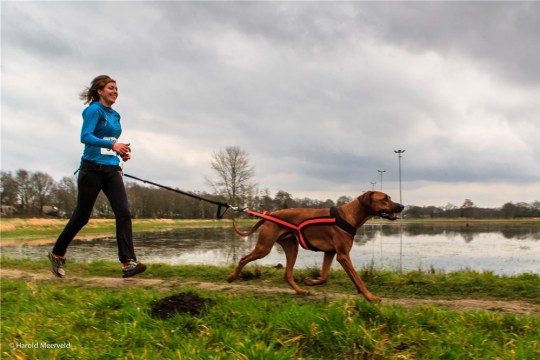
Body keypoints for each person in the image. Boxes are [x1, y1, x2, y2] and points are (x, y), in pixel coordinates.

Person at [48, 75, 146, 278]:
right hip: (91, 170)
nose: (115, 91)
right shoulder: (94, 110)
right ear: (100, 91)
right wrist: (112, 145)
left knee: (124, 213)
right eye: (111, 87)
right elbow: (85, 136)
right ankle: (57, 253)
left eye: (117, 88)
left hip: (111, 169)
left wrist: (120, 152)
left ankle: (128, 262)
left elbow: (110, 140)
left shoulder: (116, 115)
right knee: (82, 216)